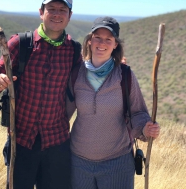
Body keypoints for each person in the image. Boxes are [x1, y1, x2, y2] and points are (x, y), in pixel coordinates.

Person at [0, 0, 81, 189]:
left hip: (57, 141)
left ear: (70, 15)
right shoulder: (20, 43)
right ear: (41, 12)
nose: (56, 14)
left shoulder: (74, 50)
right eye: (51, 9)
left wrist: (116, 66)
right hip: (21, 140)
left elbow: (86, 81)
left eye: (62, 10)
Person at [66, 16, 161, 189]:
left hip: (117, 163)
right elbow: (62, 114)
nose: (102, 43)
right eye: (98, 38)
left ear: (115, 44)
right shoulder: (76, 74)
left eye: (108, 39)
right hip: (78, 162)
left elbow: (138, 112)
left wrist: (146, 129)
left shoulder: (124, 75)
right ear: (89, 40)